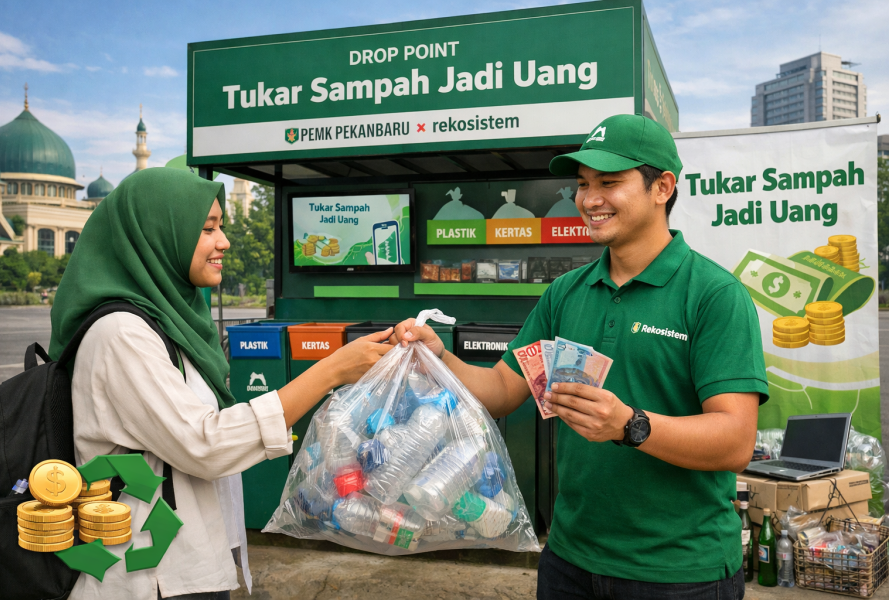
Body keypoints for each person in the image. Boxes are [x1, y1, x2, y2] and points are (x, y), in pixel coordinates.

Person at [392, 114, 768, 600]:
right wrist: (440, 356)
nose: (590, 199)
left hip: (679, 573)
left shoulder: (715, 295)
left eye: (609, 182)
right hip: (569, 562)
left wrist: (631, 425)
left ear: (663, 187)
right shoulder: (566, 293)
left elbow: (735, 441)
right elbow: (504, 390)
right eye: (583, 184)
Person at [49, 168, 393, 600]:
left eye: (222, 226)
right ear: (158, 235)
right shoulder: (121, 334)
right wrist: (331, 371)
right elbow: (204, 443)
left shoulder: (168, 325)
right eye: (207, 228)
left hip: (182, 566)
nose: (224, 241)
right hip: (148, 577)